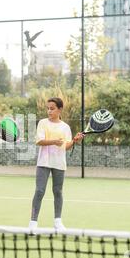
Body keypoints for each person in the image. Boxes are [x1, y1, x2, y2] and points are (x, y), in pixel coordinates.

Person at [29, 97, 84, 231]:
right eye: (48, 108)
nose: (49, 111)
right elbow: (39, 141)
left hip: (59, 163)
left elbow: (65, 146)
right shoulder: (42, 123)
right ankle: (33, 223)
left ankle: (57, 222)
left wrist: (75, 141)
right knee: (39, 191)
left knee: (58, 191)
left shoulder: (65, 127)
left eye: (52, 108)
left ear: (60, 109)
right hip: (43, 162)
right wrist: (54, 141)